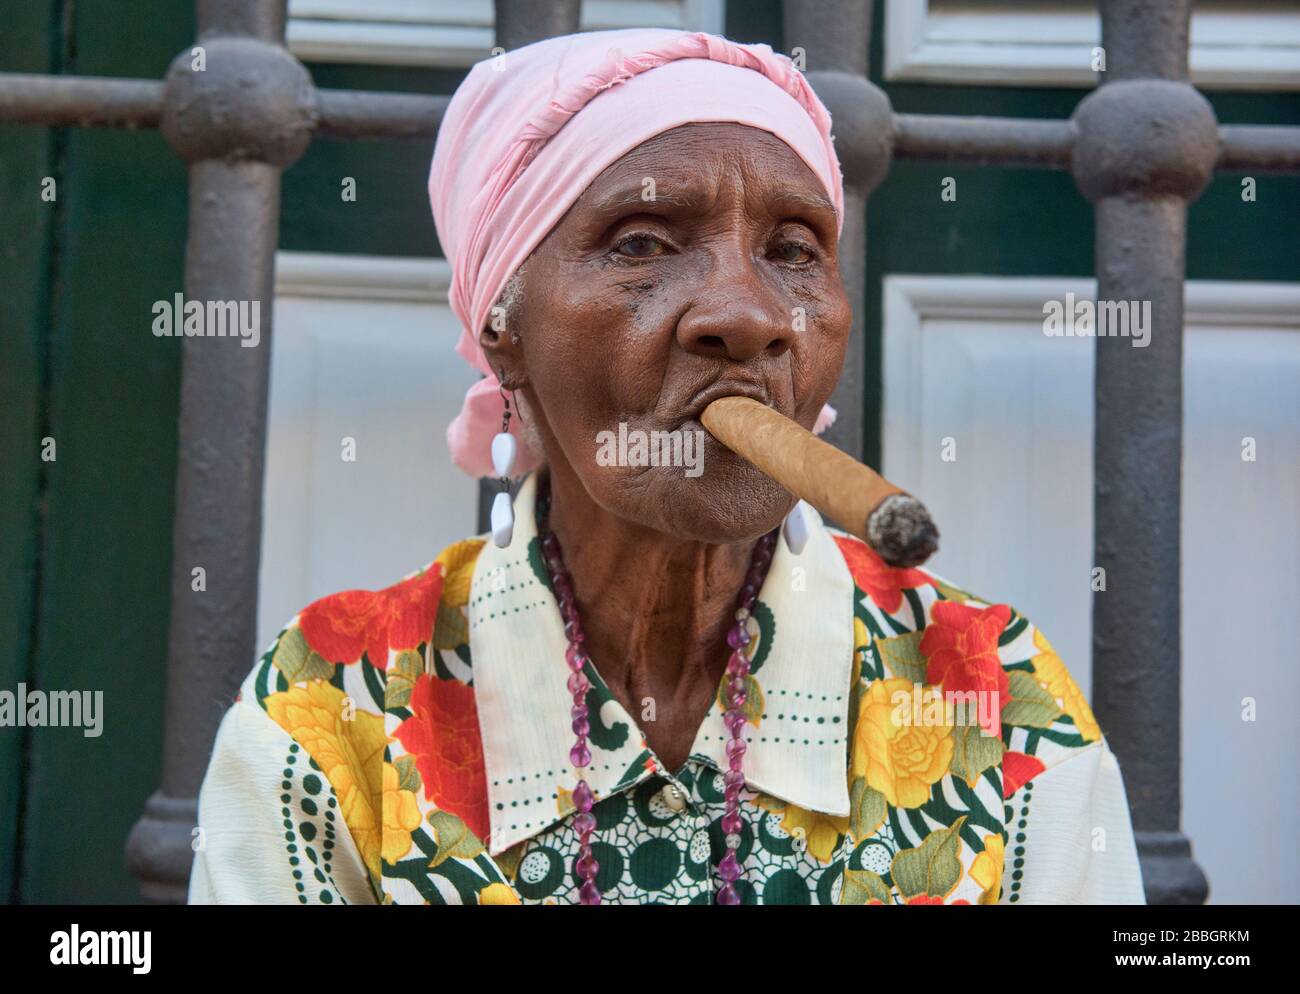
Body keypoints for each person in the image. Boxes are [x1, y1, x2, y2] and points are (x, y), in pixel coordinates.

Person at [188, 27, 1145, 906]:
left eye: (794, 250)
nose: (750, 315)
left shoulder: (999, 700)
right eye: (642, 243)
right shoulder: (329, 714)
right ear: (501, 333)